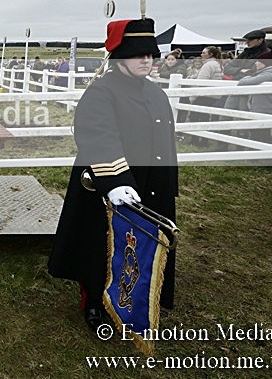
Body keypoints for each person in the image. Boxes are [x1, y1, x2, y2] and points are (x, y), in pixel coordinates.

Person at [48, 18, 177, 331]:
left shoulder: (156, 94)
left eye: (150, 54)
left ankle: (139, 295)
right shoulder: (101, 93)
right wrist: (116, 182)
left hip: (150, 185)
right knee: (102, 249)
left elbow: (164, 139)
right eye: (138, 54)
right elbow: (98, 136)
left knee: (141, 245)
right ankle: (94, 300)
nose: (146, 60)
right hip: (110, 185)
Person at [233, 51, 272, 143]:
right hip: (263, 107)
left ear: (266, 63)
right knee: (261, 134)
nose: (256, 63)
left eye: (259, 61)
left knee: (260, 134)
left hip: (263, 108)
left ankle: (264, 154)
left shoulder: (269, 75)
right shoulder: (269, 73)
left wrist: (246, 77)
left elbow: (243, 83)